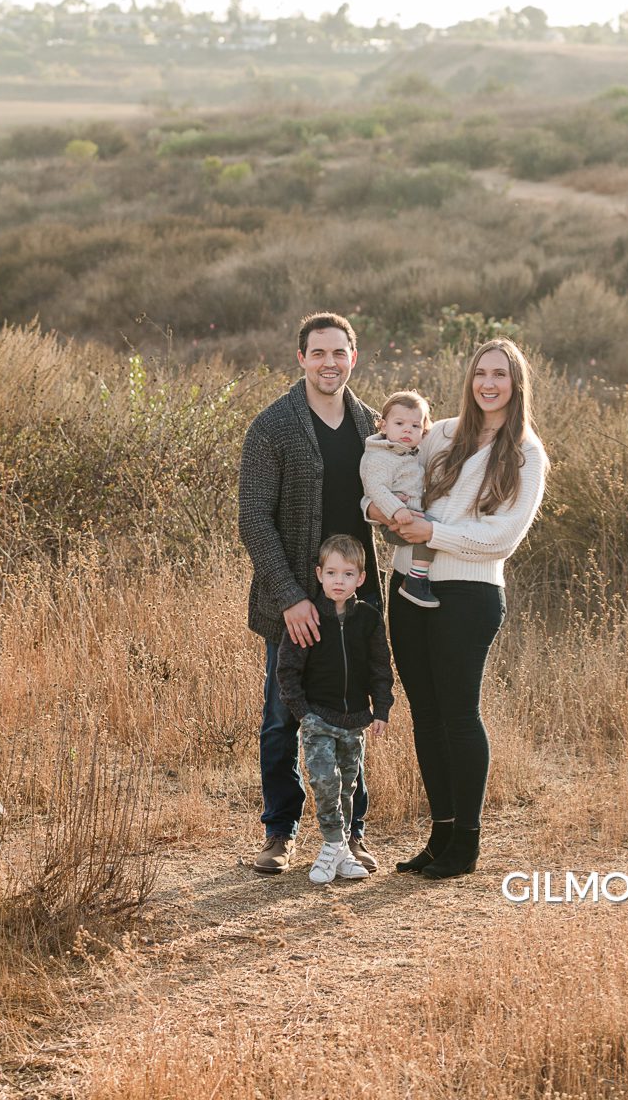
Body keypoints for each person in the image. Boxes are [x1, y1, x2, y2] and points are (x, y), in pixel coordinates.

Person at [366, 338, 548, 880]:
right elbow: (388, 473)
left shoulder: (526, 454)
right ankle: (440, 835)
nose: (488, 383)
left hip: (469, 595)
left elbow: (503, 538)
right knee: (425, 715)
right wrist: (376, 509)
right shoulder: (440, 433)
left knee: (459, 715)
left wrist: (434, 534)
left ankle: (466, 843)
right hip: (407, 584)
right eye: (480, 373)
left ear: (516, 384)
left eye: (500, 374)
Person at [238, 312, 382, 875]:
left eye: (339, 352)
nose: (329, 363)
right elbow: (254, 518)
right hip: (294, 604)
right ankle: (280, 832)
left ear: (353, 357)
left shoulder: (371, 425)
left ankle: (351, 834)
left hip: (355, 605)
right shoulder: (272, 426)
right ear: (301, 357)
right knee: (282, 718)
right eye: (318, 352)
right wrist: (290, 596)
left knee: (350, 718)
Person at [274, 535, 394, 883]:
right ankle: (331, 845)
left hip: (355, 721)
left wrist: (381, 708)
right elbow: (287, 670)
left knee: (347, 786)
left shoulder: (369, 618)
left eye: (347, 574)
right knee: (325, 780)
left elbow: (380, 667)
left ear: (361, 578)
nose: (338, 581)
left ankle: (341, 854)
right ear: (319, 574)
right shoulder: (309, 617)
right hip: (318, 719)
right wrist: (303, 713)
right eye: (331, 573)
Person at [358, 390, 441, 609]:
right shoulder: (380, 457)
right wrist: (396, 509)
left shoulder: (407, 454)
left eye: (415, 426)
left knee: (433, 529)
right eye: (399, 423)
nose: (407, 429)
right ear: (384, 426)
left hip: (408, 513)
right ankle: (415, 580)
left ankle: (416, 578)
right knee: (432, 530)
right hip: (393, 521)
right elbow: (375, 488)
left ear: (423, 431)